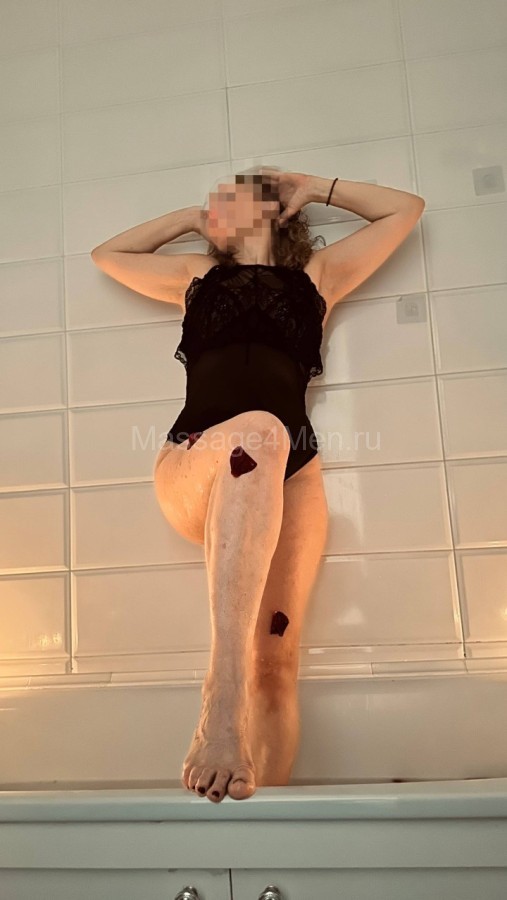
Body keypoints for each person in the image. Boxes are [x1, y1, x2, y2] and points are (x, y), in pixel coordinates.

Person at [154, 167, 330, 803]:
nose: (213, 206)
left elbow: (407, 211)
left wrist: (316, 187)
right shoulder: (195, 278)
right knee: (258, 430)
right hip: (200, 458)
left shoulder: (316, 278)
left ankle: (264, 821)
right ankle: (220, 705)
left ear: (273, 209)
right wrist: (189, 220)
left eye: (226, 196)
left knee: (277, 664)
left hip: (291, 473)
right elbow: (105, 256)